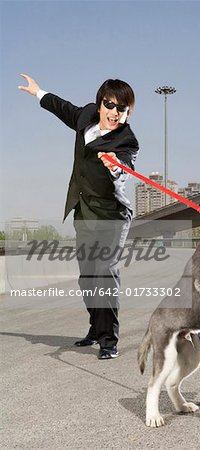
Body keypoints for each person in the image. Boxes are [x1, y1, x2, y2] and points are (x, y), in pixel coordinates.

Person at [19, 73, 139, 359]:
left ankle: (109, 340)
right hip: (84, 211)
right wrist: (38, 92)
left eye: (122, 109)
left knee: (105, 274)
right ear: (100, 104)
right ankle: (96, 329)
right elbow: (63, 108)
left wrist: (115, 166)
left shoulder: (127, 140)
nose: (115, 113)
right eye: (110, 105)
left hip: (111, 217)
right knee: (87, 277)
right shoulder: (85, 116)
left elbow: (125, 167)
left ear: (128, 113)